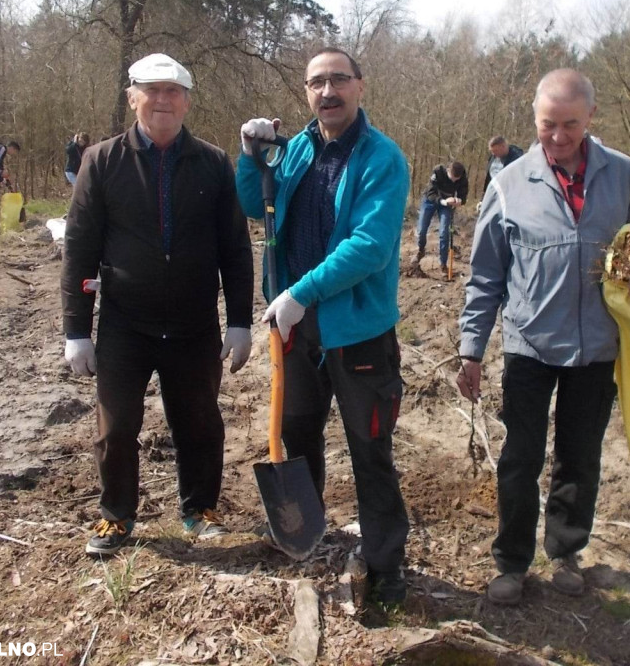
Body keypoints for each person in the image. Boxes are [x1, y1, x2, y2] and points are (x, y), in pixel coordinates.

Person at [456, 69, 630, 606]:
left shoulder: (623, 177)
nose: (557, 136)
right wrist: (471, 349)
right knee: (521, 458)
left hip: (599, 347)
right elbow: (485, 277)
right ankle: (511, 562)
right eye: (548, 124)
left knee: (580, 457)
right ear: (535, 119)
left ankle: (566, 551)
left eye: (570, 124)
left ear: (591, 117)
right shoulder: (508, 184)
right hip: (530, 344)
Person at [237, 47, 411, 608]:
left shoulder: (382, 158)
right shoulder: (295, 152)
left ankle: (386, 570)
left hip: (357, 332)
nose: (328, 91)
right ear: (305, 91)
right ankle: (304, 538)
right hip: (295, 330)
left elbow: (370, 246)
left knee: (370, 450)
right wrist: (250, 158)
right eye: (317, 82)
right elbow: (254, 207)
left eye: (339, 79)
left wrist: (300, 293)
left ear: (360, 85)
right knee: (299, 437)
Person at [61, 52, 254, 557]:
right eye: (152, 90)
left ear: (187, 101)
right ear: (133, 98)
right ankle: (116, 516)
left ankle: (199, 509)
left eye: (173, 91)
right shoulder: (101, 162)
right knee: (117, 424)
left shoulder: (213, 163)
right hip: (126, 322)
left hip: (193, 324)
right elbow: (79, 248)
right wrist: (76, 330)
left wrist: (239, 321)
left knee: (198, 421)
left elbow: (235, 247)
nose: (162, 100)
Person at [416, 161, 468, 273]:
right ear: (448, 170)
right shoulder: (438, 171)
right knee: (422, 229)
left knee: (444, 232)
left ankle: (443, 264)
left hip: (447, 203)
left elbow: (463, 195)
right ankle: (420, 250)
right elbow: (430, 192)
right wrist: (443, 201)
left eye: (456, 179)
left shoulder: (462, 176)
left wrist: (459, 201)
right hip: (431, 200)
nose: (454, 181)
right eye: (452, 178)